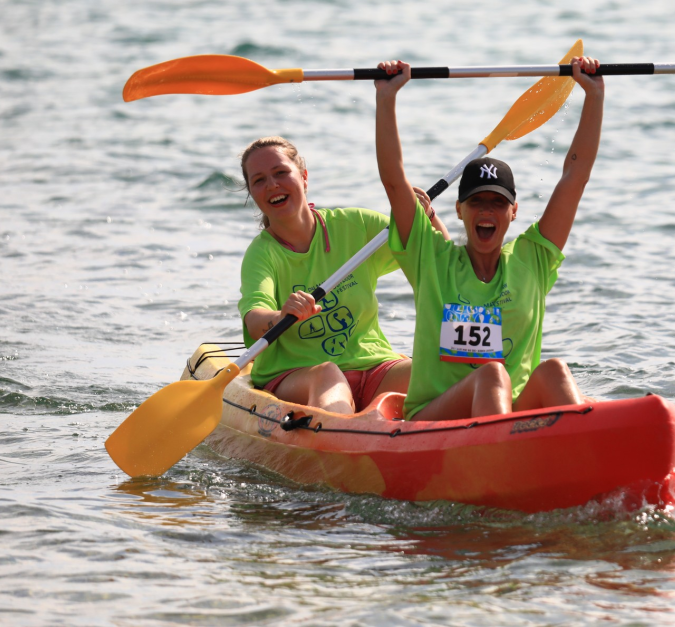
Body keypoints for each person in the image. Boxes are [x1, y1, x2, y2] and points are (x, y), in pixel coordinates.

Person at [375, 56, 605, 420]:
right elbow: (393, 179)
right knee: (492, 375)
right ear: (458, 210)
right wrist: (386, 99)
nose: (486, 211)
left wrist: (594, 95)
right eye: (476, 201)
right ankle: (506, 460)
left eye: (497, 203)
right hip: (433, 419)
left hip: (507, 415)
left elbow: (574, 177)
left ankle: (590, 451)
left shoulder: (533, 259)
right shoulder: (431, 258)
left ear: (513, 212)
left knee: (555, 371)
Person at [237, 136, 450, 414]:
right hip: (298, 374)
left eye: (280, 173)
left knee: (444, 366)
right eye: (259, 180)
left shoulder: (357, 225)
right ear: (252, 193)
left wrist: (427, 215)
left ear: (303, 177)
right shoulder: (262, 254)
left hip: (374, 366)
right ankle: (343, 441)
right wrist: (280, 316)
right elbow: (254, 320)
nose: (273, 185)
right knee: (328, 374)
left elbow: (444, 263)